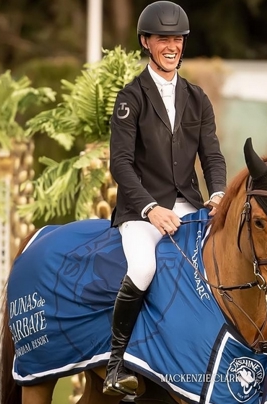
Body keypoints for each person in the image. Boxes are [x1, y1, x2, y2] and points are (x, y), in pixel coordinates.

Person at [104, 0, 227, 397]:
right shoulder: (131, 97)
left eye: (177, 39)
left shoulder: (197, 98)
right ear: (146, 42)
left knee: (227, 260)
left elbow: (211, 155)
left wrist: (219, 193)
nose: (171, 46)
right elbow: (120, 165)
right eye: (163, 39)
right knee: (142, 268)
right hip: (141, 210)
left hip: (189, 204)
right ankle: (115, 363)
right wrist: (150, 209)